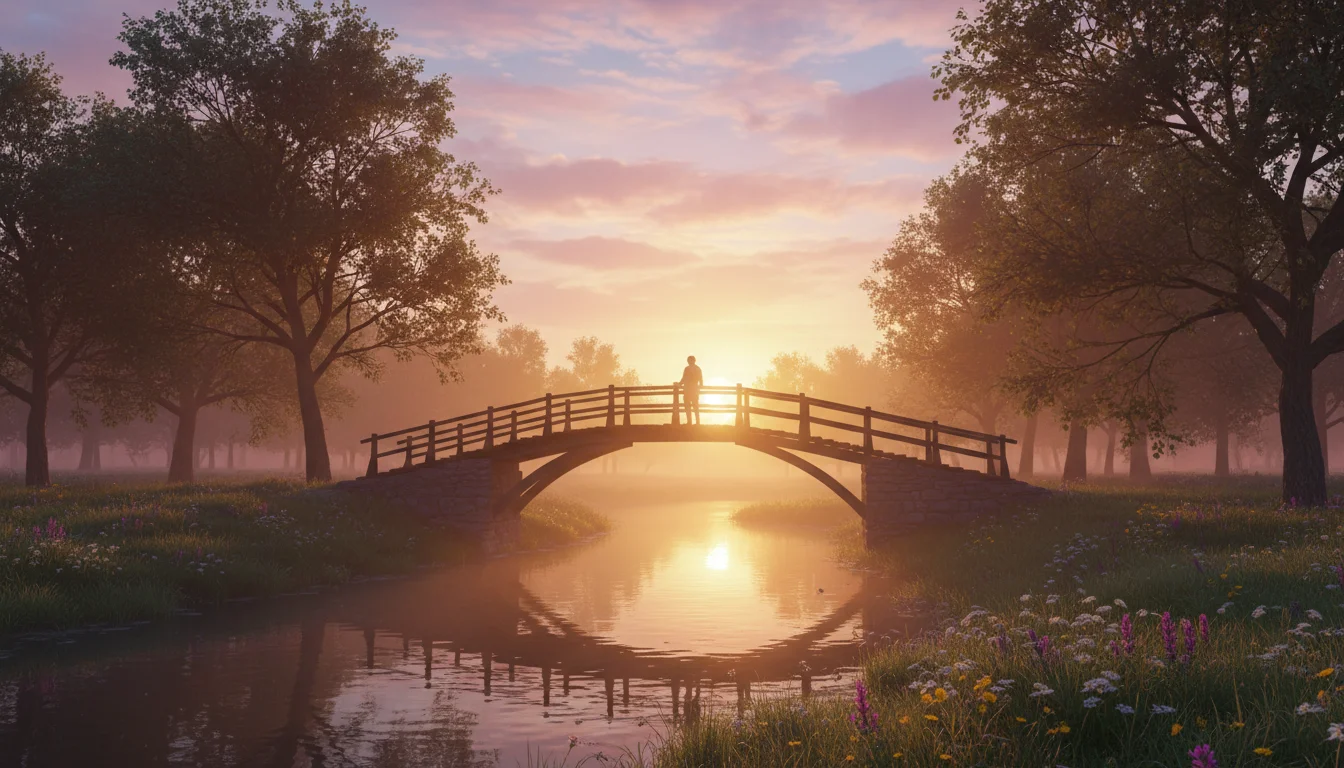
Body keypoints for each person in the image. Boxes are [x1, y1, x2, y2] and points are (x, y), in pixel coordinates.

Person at [680, 355, 704, 425]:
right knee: (689, 406)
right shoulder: (689, 369)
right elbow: (683, 378)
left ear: (694, 360)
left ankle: (696, 422)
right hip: (689, 390)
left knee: (694, 406)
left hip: (692, 390)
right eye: (688, 360)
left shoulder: (695, 369)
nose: (689, 361)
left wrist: (700, 386)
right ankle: (691, 422)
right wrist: (679, 384)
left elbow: (700, 379)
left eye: (690, 360)